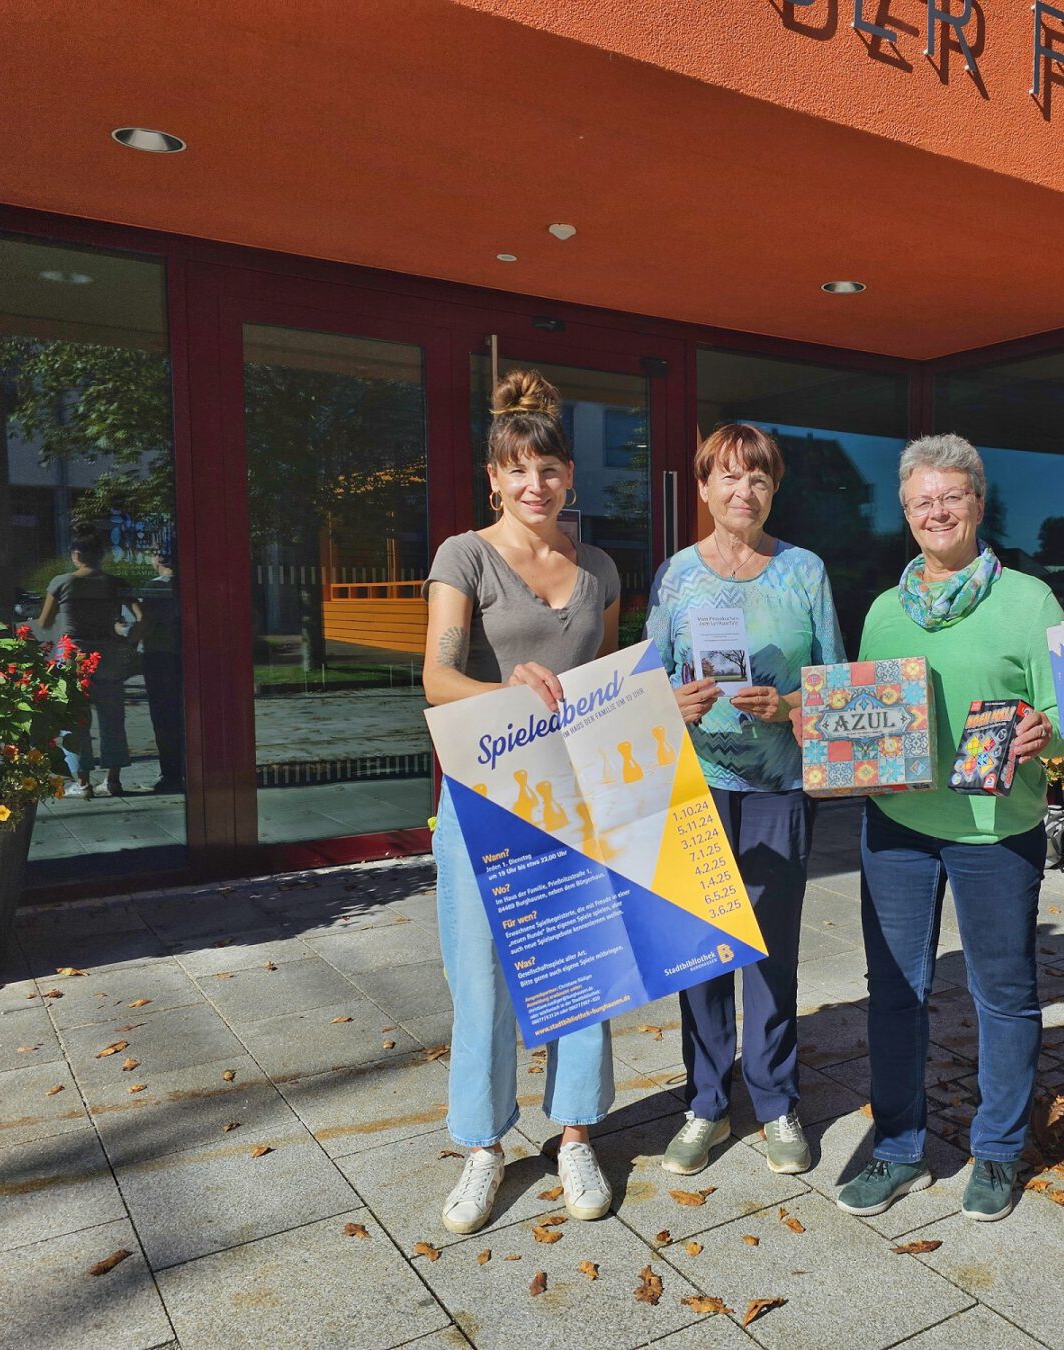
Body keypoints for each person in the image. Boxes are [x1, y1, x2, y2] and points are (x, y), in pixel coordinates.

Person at [837, 433, 1061, 1224]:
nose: (937, 511)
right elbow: (866, 715)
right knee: (896, 994)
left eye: (951, 496)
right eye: (922, 500)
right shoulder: (882, 611)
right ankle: (899, 1148)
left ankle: (997, 1152)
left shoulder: (1029, 601)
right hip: (897, 826)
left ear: (977, 503)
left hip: (996, 830)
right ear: (906, 512)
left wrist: (1046, 729)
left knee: (1002, 993)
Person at [422, 368, 620, 1233]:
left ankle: (573, 1132)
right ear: (493, 478)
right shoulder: (462, 557)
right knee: (483, 978)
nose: (535, 485)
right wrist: (510, 689)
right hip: (483, 794)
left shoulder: (601, 568)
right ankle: (482, 1145)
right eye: (518, 471)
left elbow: (608, 682)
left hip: (575, 797)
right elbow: (436, 677)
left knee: (583, 970)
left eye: (550, 470)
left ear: (569, 477)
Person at [644, 423, 844, 1177]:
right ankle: (704, 1102)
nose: (743, 492)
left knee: (767, 950)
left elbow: (836, 683)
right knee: (700, 948)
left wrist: (787, 704)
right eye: (727, 477)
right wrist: (676, 703)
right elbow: (646, 687)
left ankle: (775, 1099)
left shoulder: (804, 572)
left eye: (758, 478)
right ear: (702, 488)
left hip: (777, 788)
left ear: (774, 488)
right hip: (696, 788)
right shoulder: (676, 577)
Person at [39, 523, 140, 798]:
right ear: (101, 555)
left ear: (75, 554)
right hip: (107, 652)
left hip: (73, 652)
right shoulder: (116, 584)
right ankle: (114, 781)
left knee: (75, 720)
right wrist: (130, 641)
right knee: (113, 719)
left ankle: (82, 783)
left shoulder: (62, 582)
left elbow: (45, 621)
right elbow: (142, 618)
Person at [136, 544, 185, 793]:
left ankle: (171, 773)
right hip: (185, 656)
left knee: (164, 718)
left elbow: (145, 624)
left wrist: (123, 632)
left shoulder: (155, 586)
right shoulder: (190, 584)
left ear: (159, 559)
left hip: (159, 658)